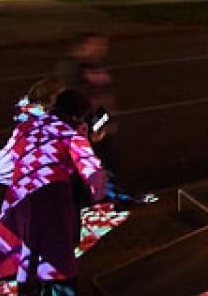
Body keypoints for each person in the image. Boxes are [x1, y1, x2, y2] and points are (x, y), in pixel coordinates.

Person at [0, 88, 108, 296]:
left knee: (29, 257)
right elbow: (94, 176)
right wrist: (95, 193)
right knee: (57, 263)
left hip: (19, 201)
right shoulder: (70, 135)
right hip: (53, 202)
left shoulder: (24, 128)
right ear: (76, 115)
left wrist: (25, 176)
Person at [56, 33, 147, 208]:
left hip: (103, 128)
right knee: (98, 166)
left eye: (104, 46)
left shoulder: (95, 65)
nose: (102, 50)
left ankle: (108, 200)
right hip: (91, 130)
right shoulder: (74, 68)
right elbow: (75, 101)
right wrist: (95, 126)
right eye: (97, 45)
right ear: (85, 45)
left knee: (109, 164)